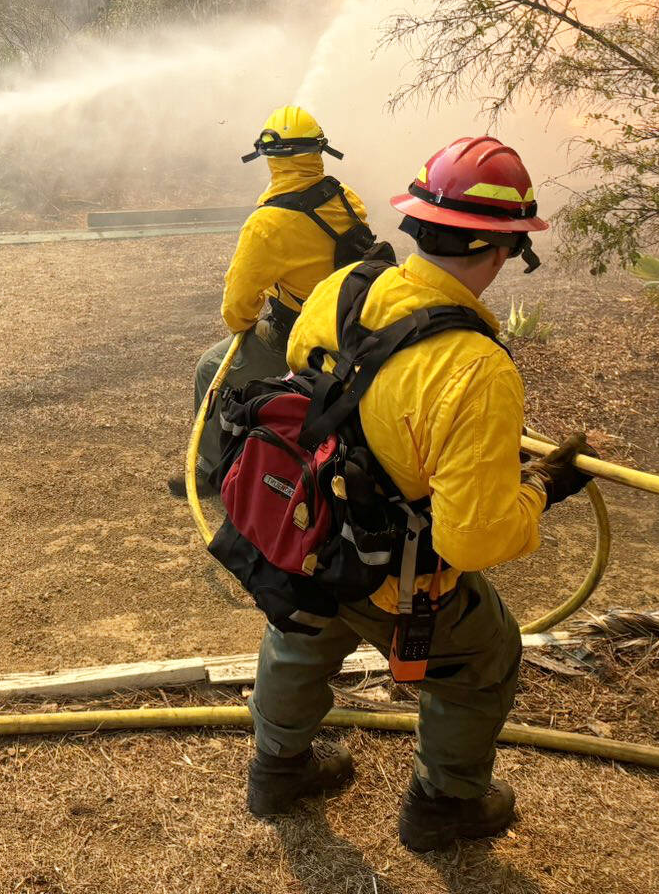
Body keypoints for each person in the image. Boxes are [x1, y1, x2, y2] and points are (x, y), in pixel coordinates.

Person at [242, 134, 591, 850]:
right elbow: (472, 537)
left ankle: (278, 771)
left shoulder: (345, 288)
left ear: (416, 225)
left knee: (299, 633)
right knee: (486, 656)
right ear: (502, 250)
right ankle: (445, 807)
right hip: (391, 573)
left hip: (305, 533)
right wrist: (544, 489)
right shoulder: (474, 370)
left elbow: (320, 387)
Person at [173, 106, 378, 498]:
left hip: (299, 335)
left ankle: (209, 470)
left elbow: (237, 305)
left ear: (270, 159)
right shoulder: (346, 197)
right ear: (320, 152)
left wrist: (246, 323)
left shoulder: (267, 224)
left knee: (211, 367)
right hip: (356, 325)